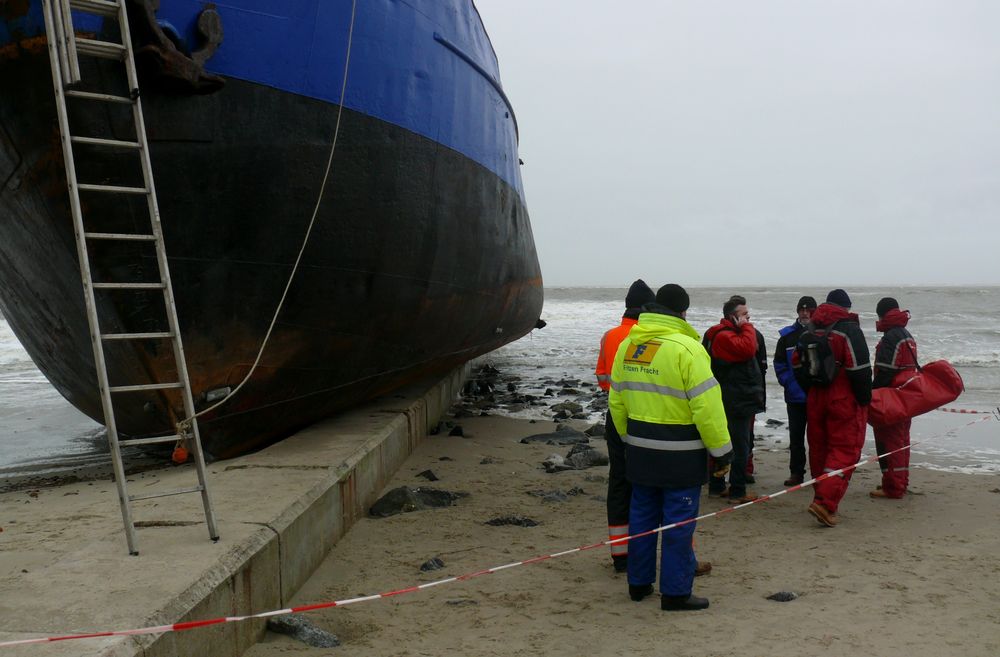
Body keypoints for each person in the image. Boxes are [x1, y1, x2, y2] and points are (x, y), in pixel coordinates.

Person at [609, 284, 732, 611]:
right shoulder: (687, 349)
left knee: (642, 519)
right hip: (680, 456)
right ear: (682, 312)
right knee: (678, 525)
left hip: (640, 452)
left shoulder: (628, 346)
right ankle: (676, 594)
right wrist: (722, 451)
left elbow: (616, 401)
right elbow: (707, 407)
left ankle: (638, 584)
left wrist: (627, 439)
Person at [793, 289, 871, 527]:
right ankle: (825, 504)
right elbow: (860, 369)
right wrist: (864, 399)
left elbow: (797, 364)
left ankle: (821, 495)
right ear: (846, 307)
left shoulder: (810, 329)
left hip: (816, 396)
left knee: (819, 448)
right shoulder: (849, 329)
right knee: (845, 450)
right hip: (843, 397)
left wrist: (810, 391)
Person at [594, 279, 655, 572]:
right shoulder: (647, 338)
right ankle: (645, 549)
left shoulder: (610, 336)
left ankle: (619, 554)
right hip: (644, 418)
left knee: (618, 481)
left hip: (614, 416)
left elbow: (602, 377)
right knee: (648, 485)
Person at [702, 295, 765, 503]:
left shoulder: (718, 334)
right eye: (744, 315)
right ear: (733, 317)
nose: (748, 318)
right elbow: (747, 349)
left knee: (725, 443)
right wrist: (747, 327)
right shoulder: (723, 336)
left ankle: (718, 486)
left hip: (729, 396)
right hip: (735, 398)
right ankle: (737, 490)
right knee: (739, 446)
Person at [870, 297, 918, 499]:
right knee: (902, 440)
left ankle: (894, 488)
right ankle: (901, 483)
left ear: (882, 314)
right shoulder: (906, 335)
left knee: (891, 442)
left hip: (891, 396)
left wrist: (872, 392)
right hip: (907, 395)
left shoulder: (891, 337)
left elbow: (886, 371)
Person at [773, 296, 817, 486]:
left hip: (817, 395)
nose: (805, 313)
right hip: (795, 396)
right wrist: (788, 382)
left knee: (817, 439)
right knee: (796, 439)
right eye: (802, 310)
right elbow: (779, 363)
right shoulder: (787, 336)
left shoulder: (822, 334)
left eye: (808, 310)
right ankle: (796, 473)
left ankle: (818, 474)